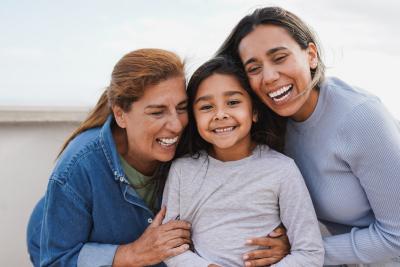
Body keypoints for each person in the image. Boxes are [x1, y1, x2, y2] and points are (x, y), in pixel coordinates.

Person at [216, 6, 400, 267]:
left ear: (311, 55)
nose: (269, 77)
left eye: (279, 58)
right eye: (254, 68)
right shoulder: (271, 124)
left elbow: (397, 236)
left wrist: (300, 250)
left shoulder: (361, 117)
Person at [26, 48, 193, 267]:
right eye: (157, 112)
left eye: (182, 107)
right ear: (120, 115)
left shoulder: (192, 144)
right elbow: (56, 259)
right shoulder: (79, 163)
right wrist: (133, 254)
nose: (177, 125)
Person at [161, 56, 324, 267]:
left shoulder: (281, 170)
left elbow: (310, 252)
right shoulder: (183, 170)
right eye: (206, 107)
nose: (220, 114)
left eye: (233, 102)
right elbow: (169, 246)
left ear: (254, 111)